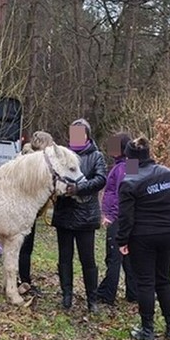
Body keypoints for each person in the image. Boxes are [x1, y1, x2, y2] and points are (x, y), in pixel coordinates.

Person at [117, 136, 170, 340]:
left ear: (131, 159)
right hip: (168, 233)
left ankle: (147, 330)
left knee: (145, 282)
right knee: (164, 279)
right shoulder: (168, 173)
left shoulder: (130, 181)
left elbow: (126, 217)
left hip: (143, 236)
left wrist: (122, 241)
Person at [52, 118, 107, 312]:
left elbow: (101, 179)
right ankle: (66, 295)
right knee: (64, 258)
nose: (74, 137)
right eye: (72, 133)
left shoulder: (96, 156)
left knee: (88, 260)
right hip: (64, 214)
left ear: (87, 135)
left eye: (79, 133)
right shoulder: (62, 155)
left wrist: (78, 188)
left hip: (86, 215)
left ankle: (92, 299)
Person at [0, 130, 54, 296]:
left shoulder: (25, 156)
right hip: (23, 210)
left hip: (25, 209)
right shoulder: (32, 162)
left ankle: (18, 280)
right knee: (22, 247)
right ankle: (22, 281)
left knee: (22, 247)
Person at [96, 133, 138, 306]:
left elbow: (124, 194)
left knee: (114, 256)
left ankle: (107, 293)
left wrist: (111, 216)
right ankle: (133, 292)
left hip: (120, 218)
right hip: (129, 218)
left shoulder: (123, 167)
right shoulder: (130, 165)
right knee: (128, 256)